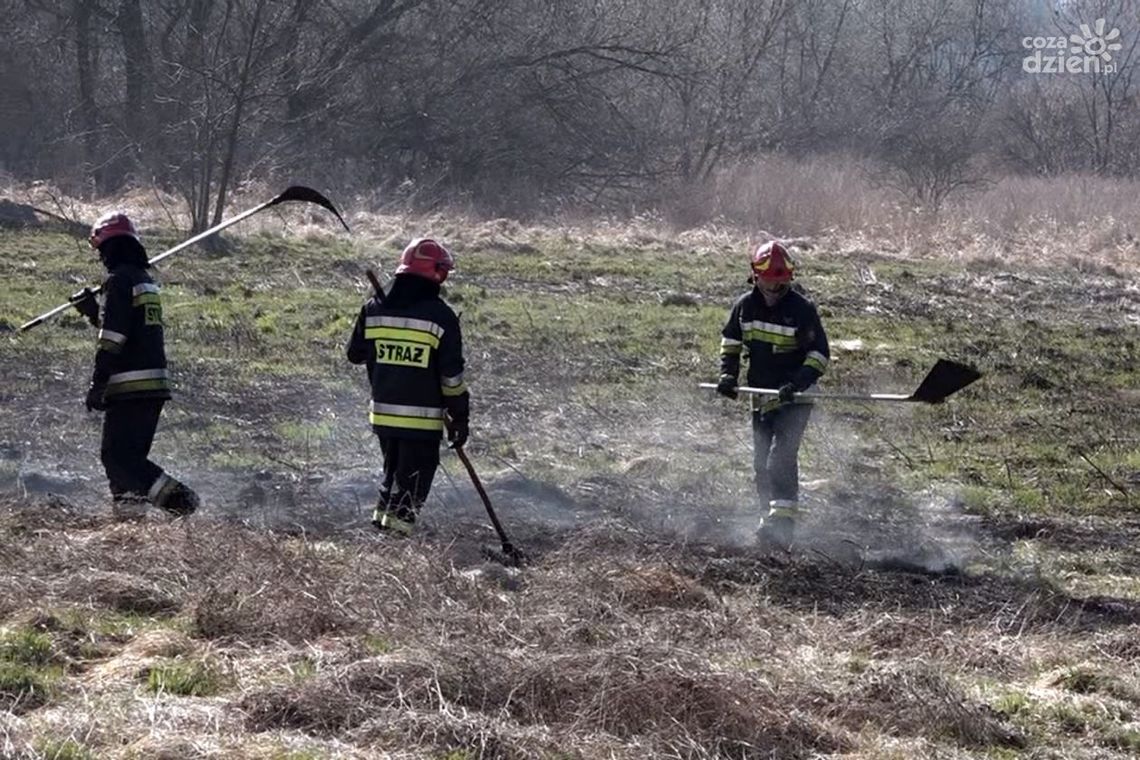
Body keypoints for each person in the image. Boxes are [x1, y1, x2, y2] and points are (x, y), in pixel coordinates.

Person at [71, 212, 199, 518]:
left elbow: (112, 340)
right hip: (151, 385)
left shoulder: (118, 281)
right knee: (125, 458)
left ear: (113, 247)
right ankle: (129, 524)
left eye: (102, 250)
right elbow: (128, 328)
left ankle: (183, 502)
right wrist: (93, 312)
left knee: (119, 459)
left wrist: (98, 383)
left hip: (130, 385)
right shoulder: (143, 280)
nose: (101, 257)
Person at [346, 238, 470, 535]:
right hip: (421, 419)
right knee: (411, 487)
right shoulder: (441, 316)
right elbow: (451, 378)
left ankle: (380, 534)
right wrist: (460, 417)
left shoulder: (374, 308)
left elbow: (355, 354)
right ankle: (395, 545)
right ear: (436, 274)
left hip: (384, 417)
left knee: (392, 480)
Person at [716, 241, 829, 547]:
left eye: (782, 282)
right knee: (760, 462)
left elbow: (819, 354)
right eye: (770, 281)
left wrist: (798, 382)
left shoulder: (802, 310)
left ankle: (783, 527)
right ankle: (767, 519)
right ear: (755, 276)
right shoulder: (744, 307)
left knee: (780, 457)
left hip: (796, 398)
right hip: (761, 395)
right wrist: (728, 375)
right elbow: (731, 343)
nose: (776, 287)